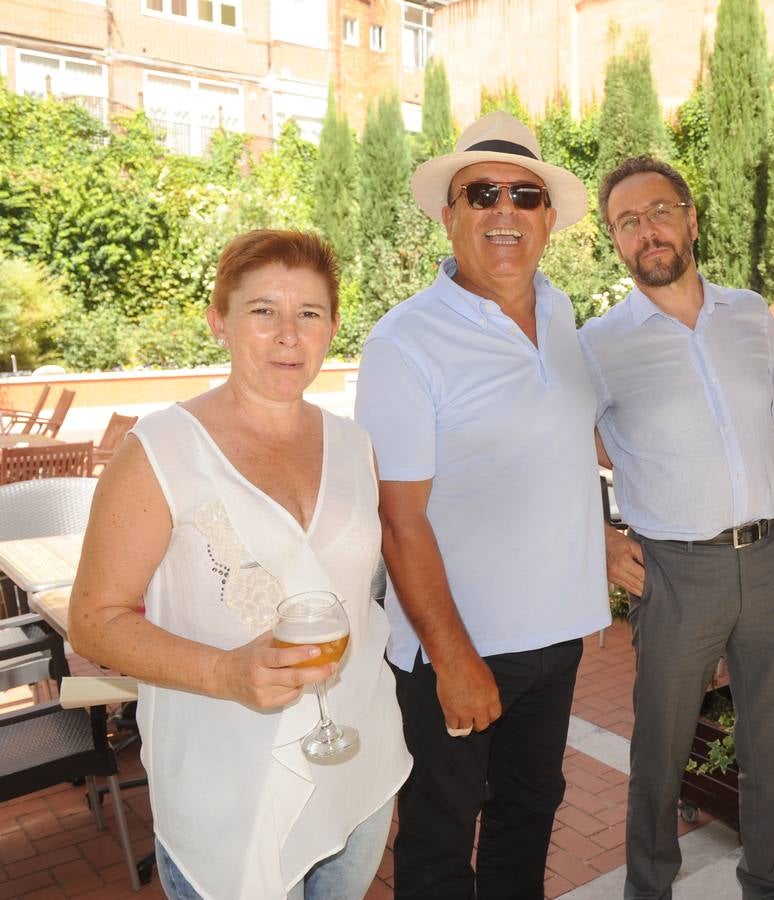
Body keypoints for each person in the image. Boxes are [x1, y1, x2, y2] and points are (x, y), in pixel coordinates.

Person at [68, 230, 411, 900]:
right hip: (225, 788)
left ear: (332, 327)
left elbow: (359, 595)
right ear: (218, 320)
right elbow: (93, 622)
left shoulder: (354, 445)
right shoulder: (160, 450)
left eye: (308, 313)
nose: (288, 335)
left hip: (358, 767)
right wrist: (225, 671)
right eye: (263, 311)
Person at [354, 111, 611, 899]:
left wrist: (604, 545)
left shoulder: (563, 312)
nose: (505, 210)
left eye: (524, 195)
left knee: (528, 813)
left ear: (548, 218)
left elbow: (566, 449)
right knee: (438, 839)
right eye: (482, 193)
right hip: (458, 649)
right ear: (450, 215)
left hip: (555, 637)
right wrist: (454, 658)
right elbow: (398, 522)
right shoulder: (405, 343)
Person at [579, 156, 774, 900]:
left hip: (769, 561)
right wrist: (603, 537)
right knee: (659, 758)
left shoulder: (747, 313)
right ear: (614, 242)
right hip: (674, 573)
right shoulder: (599, 343)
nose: (645, 231)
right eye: (626, 222)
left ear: (688, 217)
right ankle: (647, 893)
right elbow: (557, 449)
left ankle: (769, 889)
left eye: (657, 212)